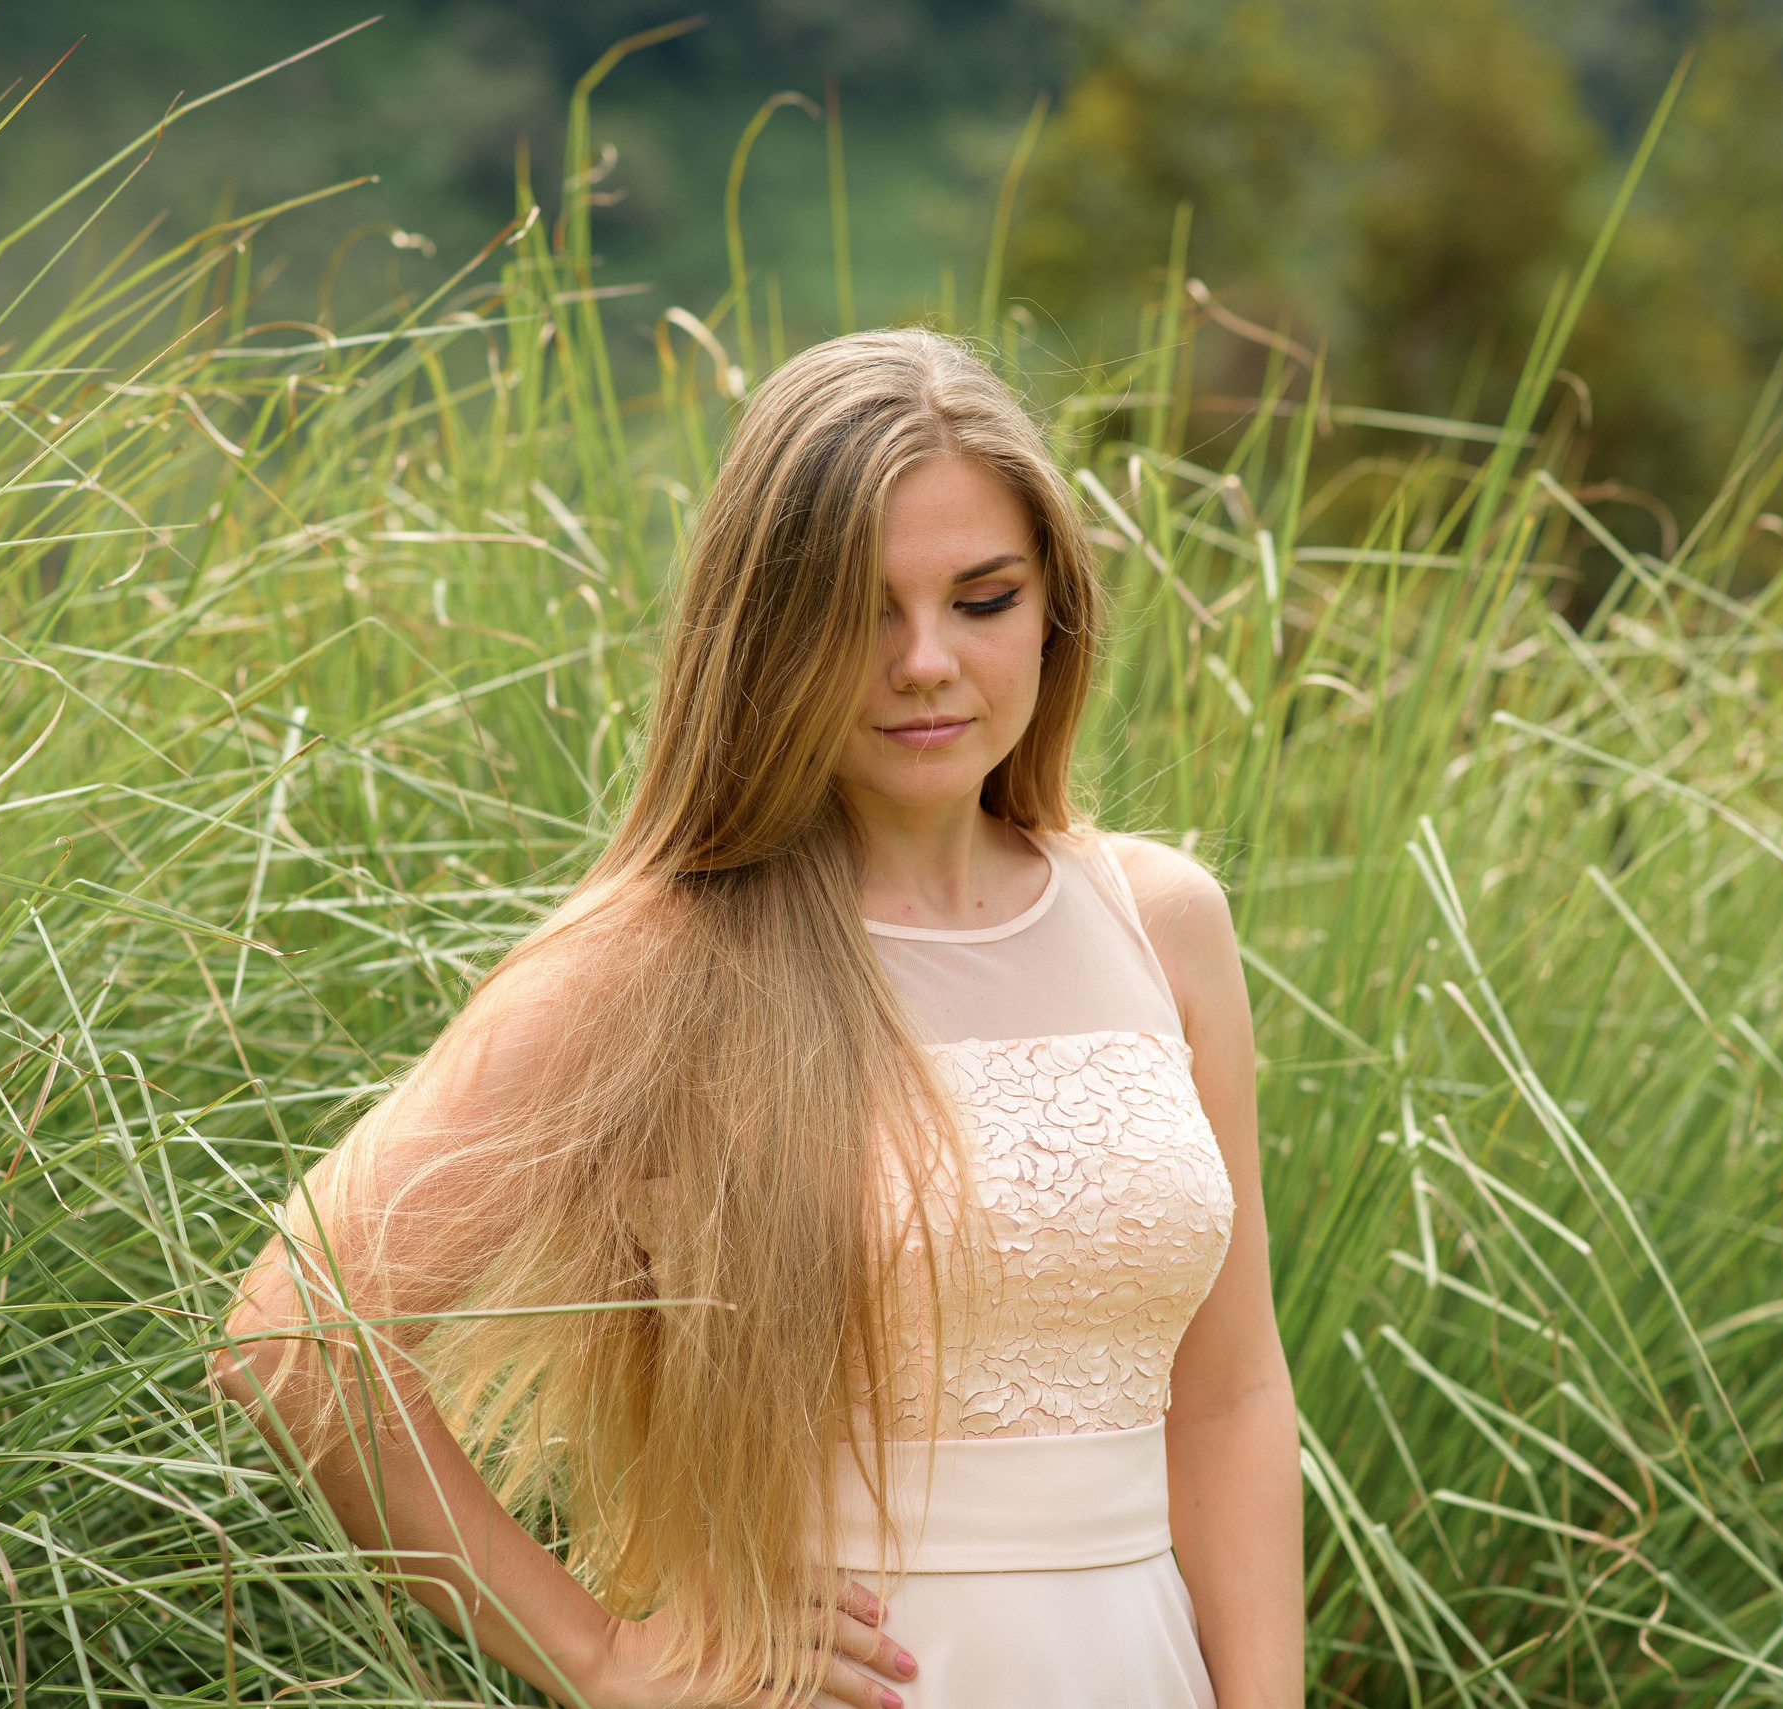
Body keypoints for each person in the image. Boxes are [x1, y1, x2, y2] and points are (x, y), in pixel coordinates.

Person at [218, 328, 1303, 1708]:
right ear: (765, 633)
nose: (926, 661)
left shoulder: (1164, 923)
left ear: (1054, 610)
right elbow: (295, 1333)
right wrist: (601, 1654)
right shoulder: (662, 955)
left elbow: (1230, 1399)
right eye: (859, 611)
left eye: (982, 599)